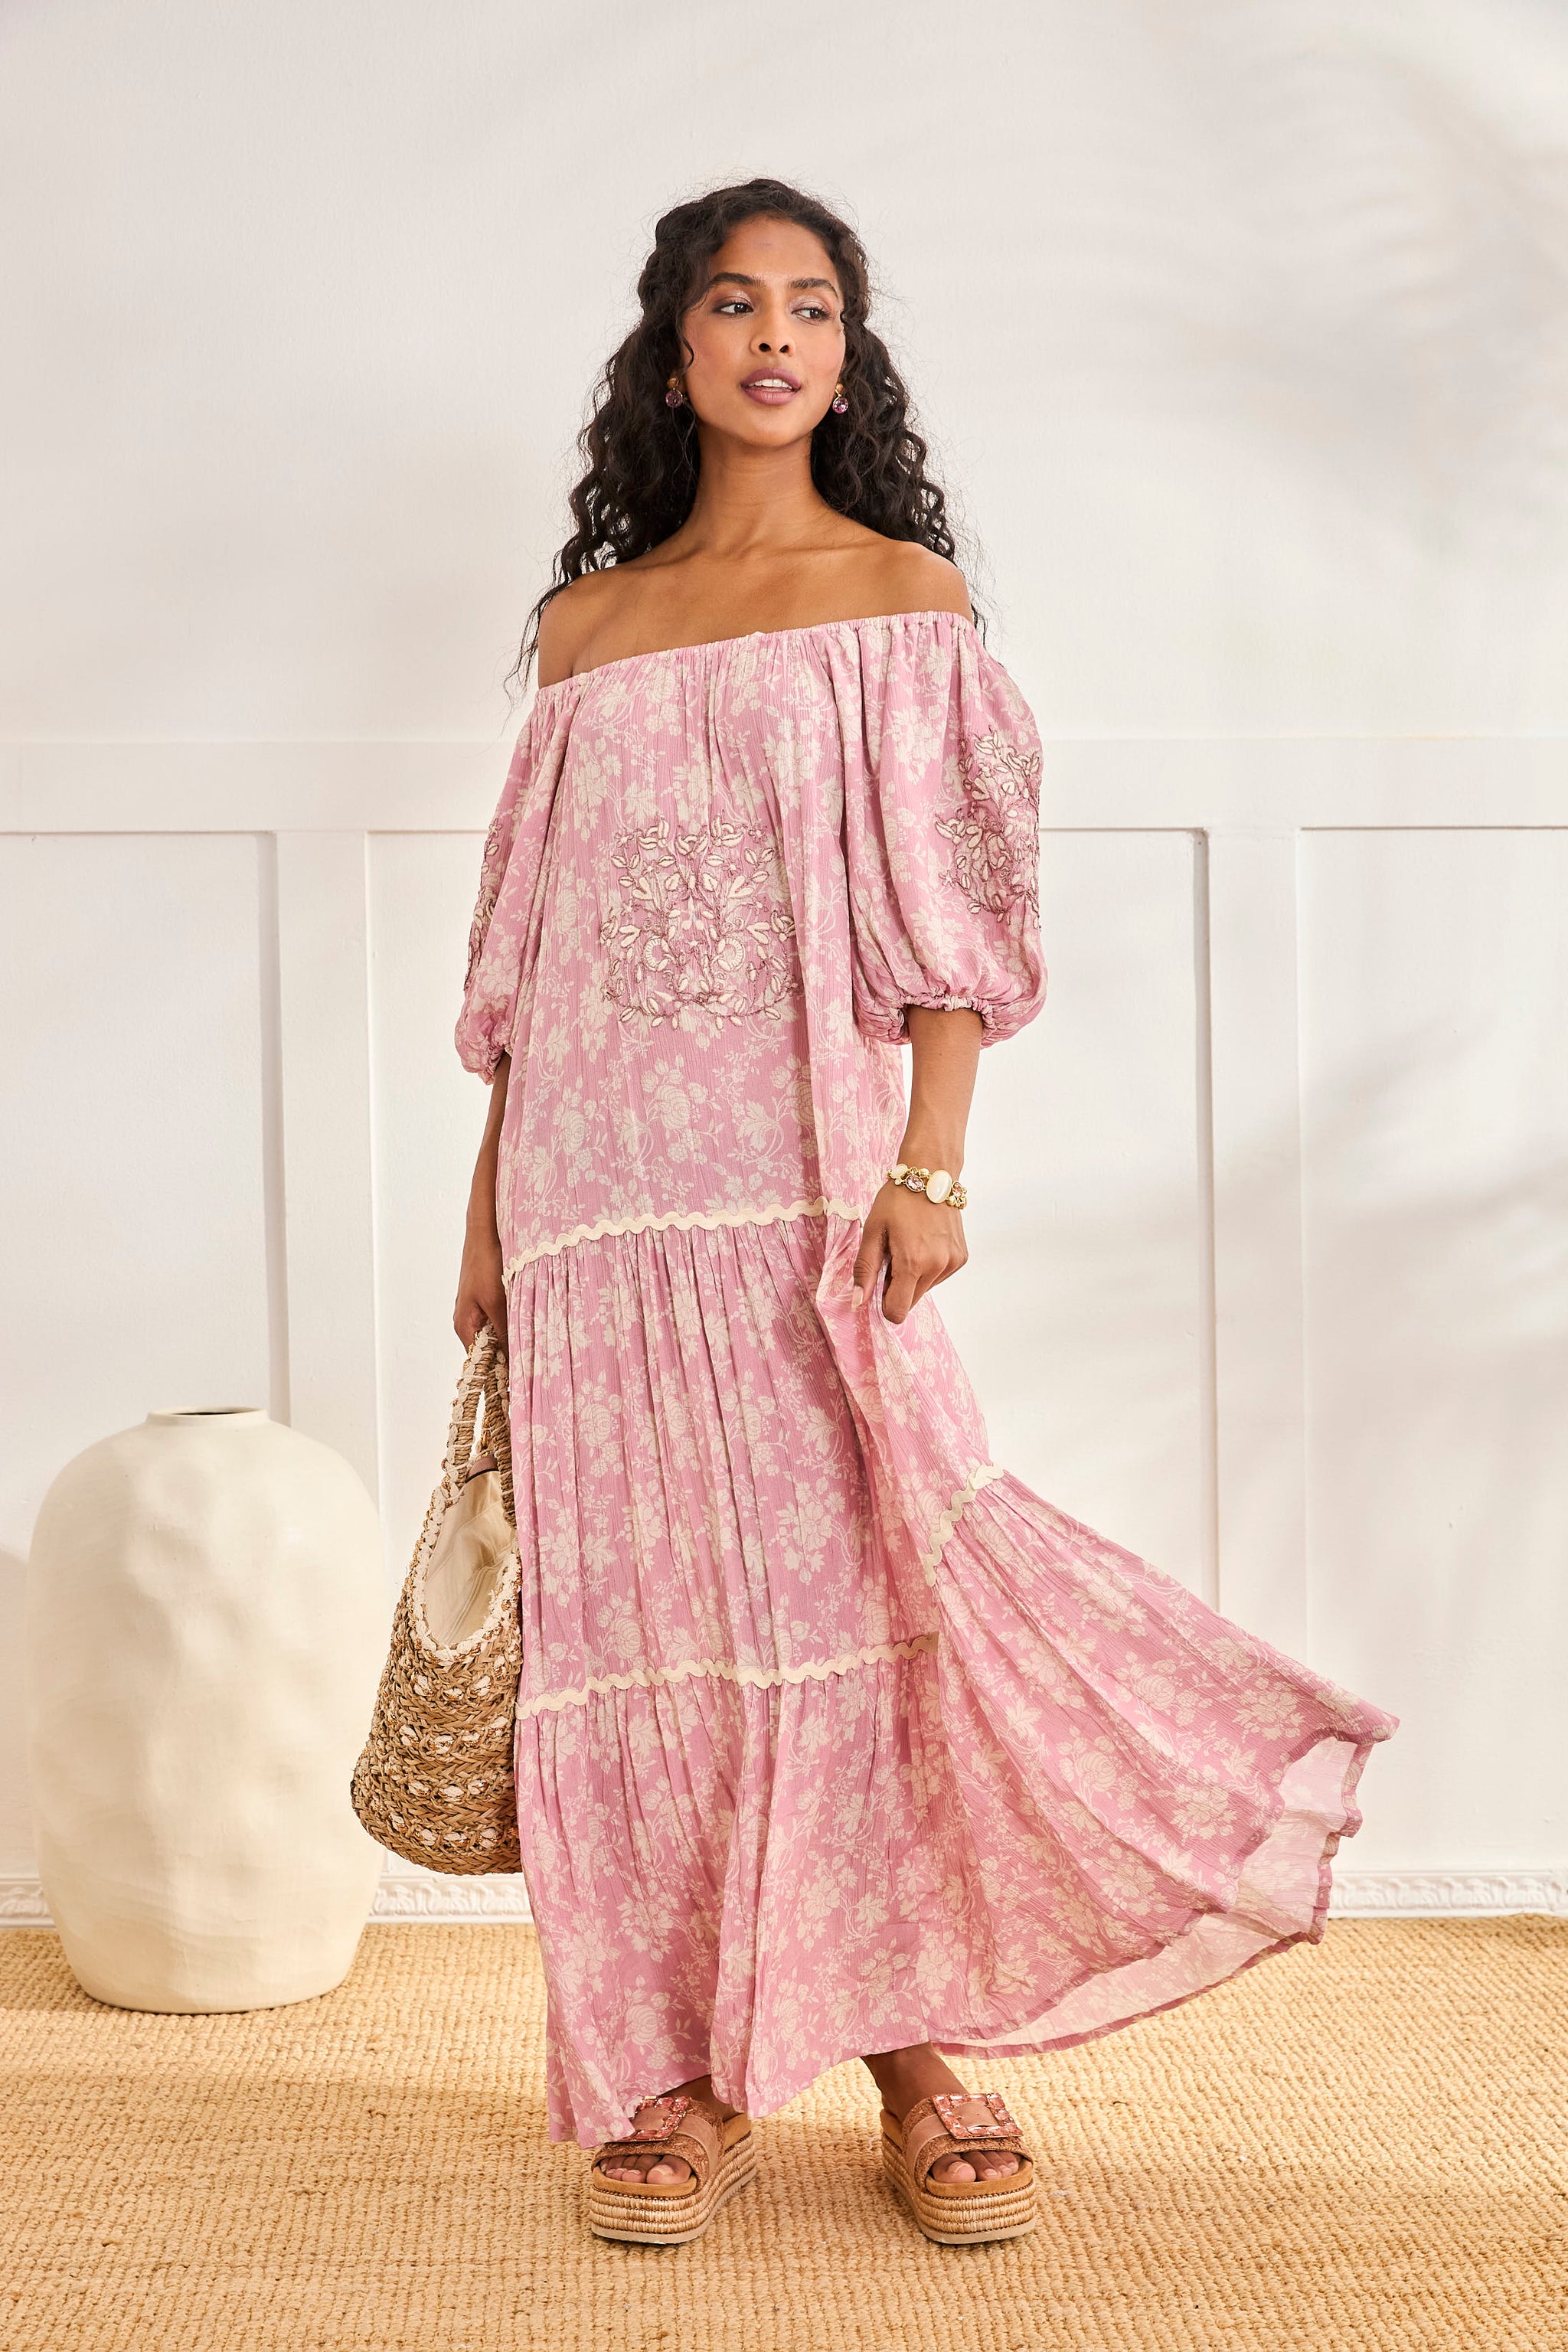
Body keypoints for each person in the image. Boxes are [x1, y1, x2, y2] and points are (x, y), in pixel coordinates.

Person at [452, 178, 1396, 2250]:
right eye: (736, 305)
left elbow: (949, 913)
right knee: (643, 1633)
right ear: (673, 350)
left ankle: (914, 2055)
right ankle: (676, 2072)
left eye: (813, 308)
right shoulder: (588, 631)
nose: (776, 339)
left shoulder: (903, 602)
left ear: (848, 355)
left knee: (867, 1597)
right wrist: (487, 1215)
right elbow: (530, 966)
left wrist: (932, 1157)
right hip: (596, 1209)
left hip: (800, 1181)